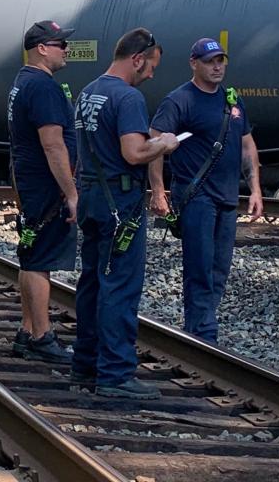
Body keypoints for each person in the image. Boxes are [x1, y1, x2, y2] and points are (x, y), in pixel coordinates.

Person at [73, 28, 180, 400]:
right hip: (120, 202)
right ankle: (116, 374)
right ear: (137, 58)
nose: (151, 74)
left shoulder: (88, 92)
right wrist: (163, 143)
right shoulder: (128, 97)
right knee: (119, 285)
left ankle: (85, 363)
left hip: (91, 197)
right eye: (151, 66)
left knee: (91, 282)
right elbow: (134, 153)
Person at [148, 38, 263, 343]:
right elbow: (155, 144)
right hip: (196, 197)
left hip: (227, 198)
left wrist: (255, 190)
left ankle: (199, 330)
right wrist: (158, 191)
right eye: (210, 61)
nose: (217, 66)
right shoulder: (179, 100)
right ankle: (204, 336)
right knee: (199, 268)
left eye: (220, 60)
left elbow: (247, 145)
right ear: (193, 63)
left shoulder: (232, 100)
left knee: (219, 270)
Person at [6, 21, 78, 363]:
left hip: (30, 181)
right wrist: (71, 191)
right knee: (39, 260)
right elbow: (53, 144)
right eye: (60, 43)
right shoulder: (44, 87)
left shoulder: (23, 82)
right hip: (46, 187)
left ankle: (26, 328)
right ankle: (42, 335)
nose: (66, 49)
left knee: (30, 253)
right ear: (42, 48)